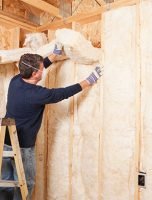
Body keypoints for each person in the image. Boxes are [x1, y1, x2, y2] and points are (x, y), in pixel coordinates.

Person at [0, 43, 102, 200]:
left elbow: (38, 67)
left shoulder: (16, 80)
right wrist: (89, 80)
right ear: (35, 74)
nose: (43, 69)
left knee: (6, 180)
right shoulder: (38, 94)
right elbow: (63, 93)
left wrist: (54, 55)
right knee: (27, 183)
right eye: (41, 69)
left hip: (5, 140)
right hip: (23, 146)